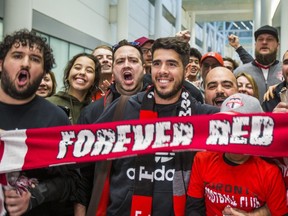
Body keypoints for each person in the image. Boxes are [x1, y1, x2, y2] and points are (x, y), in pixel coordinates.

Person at [82, 37, 219, 216]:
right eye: (157, 63)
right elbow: (81, 148)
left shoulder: (203, 116)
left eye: (171, 64)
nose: (162, 71)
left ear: (185, 71)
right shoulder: (124, 107)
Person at [0, 29, 79, 216]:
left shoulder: (55, 118)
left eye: (35, 59)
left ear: (44, 72)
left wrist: (35, 194)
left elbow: (71, 181)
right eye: (17, 56)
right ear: (1, 63)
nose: (26, 63)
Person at [186, 93, 288, 216]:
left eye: (241, 128)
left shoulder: (269, 172)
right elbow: (194, 209)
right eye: (227, 126)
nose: (233, 134)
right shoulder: (203, 159)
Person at [47, 53, 101, 124]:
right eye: (77, 68)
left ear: (94, 80)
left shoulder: (96, 110)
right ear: (68, 74)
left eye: (89, 70)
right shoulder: (49, 104)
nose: (82, 72)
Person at [234, 25, 283, 103]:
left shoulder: (285, 70)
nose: (264, 42)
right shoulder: (240, 72)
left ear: (278, 45)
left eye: (269, 39)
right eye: (260, 39)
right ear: (255, 45)